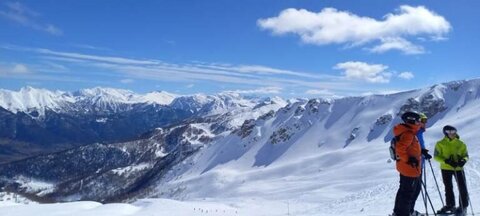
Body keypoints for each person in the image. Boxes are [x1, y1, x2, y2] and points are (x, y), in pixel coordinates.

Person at [392, 111, 423, 216]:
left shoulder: (405, 131)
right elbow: (400, 149)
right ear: (411, 120)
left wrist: (420, 152)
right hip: (410, 168)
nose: (419, 122)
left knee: (403, 190)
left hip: (404, 167)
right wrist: (409, 160)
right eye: (418, 120)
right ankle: (404, 213)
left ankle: (398, 212)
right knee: (408, 193)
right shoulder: (408, 133)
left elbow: (407, 148)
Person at [434, 125, 469, 215]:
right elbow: (436, 156)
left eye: (454, 132)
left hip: (458, 168)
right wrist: (446, 161)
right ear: (446, 133)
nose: (453, 134)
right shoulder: (440, 143)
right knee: (448, 187)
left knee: (462, 187)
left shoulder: (461, 143)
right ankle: (450, 206)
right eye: (450, 132)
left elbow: (466, 155)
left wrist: (463, 161)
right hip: (446, 168)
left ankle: (463, 206)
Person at [410, 113, 432, 216]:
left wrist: (423, 152)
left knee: (416, 188)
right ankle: (408, 211)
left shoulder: (419, 133)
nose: (425, 123)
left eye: (425, 120)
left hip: (419, 165)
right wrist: (421, 152)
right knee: (413, 189)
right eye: (423, 120)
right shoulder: (416, 132)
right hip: (414, 165)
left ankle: (409, 210)